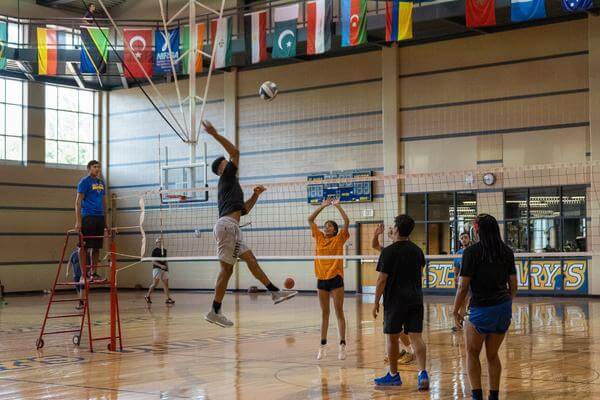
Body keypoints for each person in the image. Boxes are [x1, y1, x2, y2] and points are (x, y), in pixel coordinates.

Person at [203, 120, 297, 327]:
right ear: (221, 168)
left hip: (231, 226)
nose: (230, 163)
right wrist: (215, 134)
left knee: (250, 261)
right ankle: (214, 311)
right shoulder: (226, 176)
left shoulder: (231, 185)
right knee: (226, 271)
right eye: (225, 163)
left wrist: (255, 195)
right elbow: (235, 152)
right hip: (227, 226)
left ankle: (274, 292)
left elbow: (243, 210)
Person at [453, 214, 517, 400]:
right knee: (492, 355)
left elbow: (463, 286)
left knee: (472, 353)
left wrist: (455, 310)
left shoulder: (471, 252)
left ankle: (476, 396)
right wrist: (504, 303)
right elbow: (514, 287)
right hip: (502, 309)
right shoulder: (507, 251)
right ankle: (494, 397)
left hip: (481, 310)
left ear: (477, 230)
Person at [372, 215, 429, 390]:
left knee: (392, 337)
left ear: (396, 229)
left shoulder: (388, 252)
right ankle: (422, 373)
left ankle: (394, 376)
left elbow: (381, 280)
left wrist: (375, 302)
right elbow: (419, 274)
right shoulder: (417, 251)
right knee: (416, 337)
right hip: (415, 298)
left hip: (395, 300)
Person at [308, 198, 350, 360]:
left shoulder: (339, 238)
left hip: (336, 279)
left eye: (330, 226)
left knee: (339, 312)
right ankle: (323, 346)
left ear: (335, 230)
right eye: (325, 226)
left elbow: (346, 221)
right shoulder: (318, 237)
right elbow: (310, 219)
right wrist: (322, 206)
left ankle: (342, 346)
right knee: (325, 313)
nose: (326, 228)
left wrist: (338, 206)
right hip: (321, 279)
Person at [371, 223, 415, 365]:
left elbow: (381, 279)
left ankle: (410, 350)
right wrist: (376, 234)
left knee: (395, 326)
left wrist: (376, 301)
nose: (391, 232)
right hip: (401, 295)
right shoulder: (389, 252)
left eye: (393, 231)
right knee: (393, 326)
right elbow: (375, 246)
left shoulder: (407, 250)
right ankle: (399, 351)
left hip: (399, 295)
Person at [75, 160, 109, 282]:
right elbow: (78, 202)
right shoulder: (84, 182)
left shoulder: (101, 183)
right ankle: (83, 274)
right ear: (89, 168)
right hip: (88, 217)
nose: (97, 169)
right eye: (95, 167)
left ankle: (93, 273)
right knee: (83, 247)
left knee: (96, 248)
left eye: (99, 167)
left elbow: (104, 202)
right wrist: (78, 221)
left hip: (99, 218)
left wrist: (105, 221)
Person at [452, 231, 472, 332]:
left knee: (466, 302)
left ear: (469, 239)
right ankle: (460, 323)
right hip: (462, 281)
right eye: (462, 238)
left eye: (465, 237)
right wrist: (455, 276)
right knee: (463, 303)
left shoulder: (473, 251)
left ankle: (462, 322)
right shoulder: (458, 253)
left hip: (472, 281)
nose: (464, 239)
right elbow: (456, 267)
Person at [145, 238, 175, 305]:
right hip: (157, 268)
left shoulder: (164, 250)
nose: (160, 243)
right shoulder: (154, 251)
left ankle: (168, 298)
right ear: (156, 243)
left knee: (166, 284)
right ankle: (147, 296)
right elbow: (153, 261)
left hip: (164, 269)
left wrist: (167, 268)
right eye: (158, 242)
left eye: (161, 242)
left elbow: (166, 260)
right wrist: (160, 266)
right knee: (155, 283)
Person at [66, 245, 88, 310]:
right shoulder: (73, 254)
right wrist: (67, 271)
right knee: (78, 289)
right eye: (78, 247)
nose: (79, 249)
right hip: (76, 274)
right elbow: (69, 262)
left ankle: (81, 303)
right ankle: (81, 302)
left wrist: (87, 272)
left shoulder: (85, 254)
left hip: (83, 274)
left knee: (82, 288)